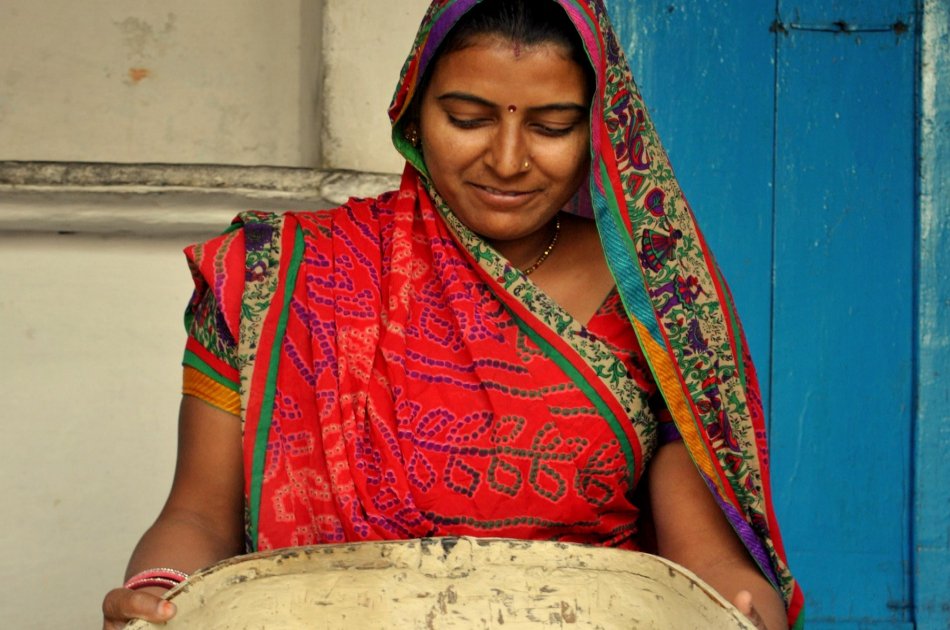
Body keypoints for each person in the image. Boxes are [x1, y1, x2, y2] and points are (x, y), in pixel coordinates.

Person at [102, 0, 804, 628]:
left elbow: (704, 563)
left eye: (552, 126)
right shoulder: (269, 279)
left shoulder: (655, 302)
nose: (506, 160)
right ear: (413, 111)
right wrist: (160, 594)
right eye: (466, 119)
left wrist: (739, 609)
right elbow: (195, 515)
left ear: (599, 132)